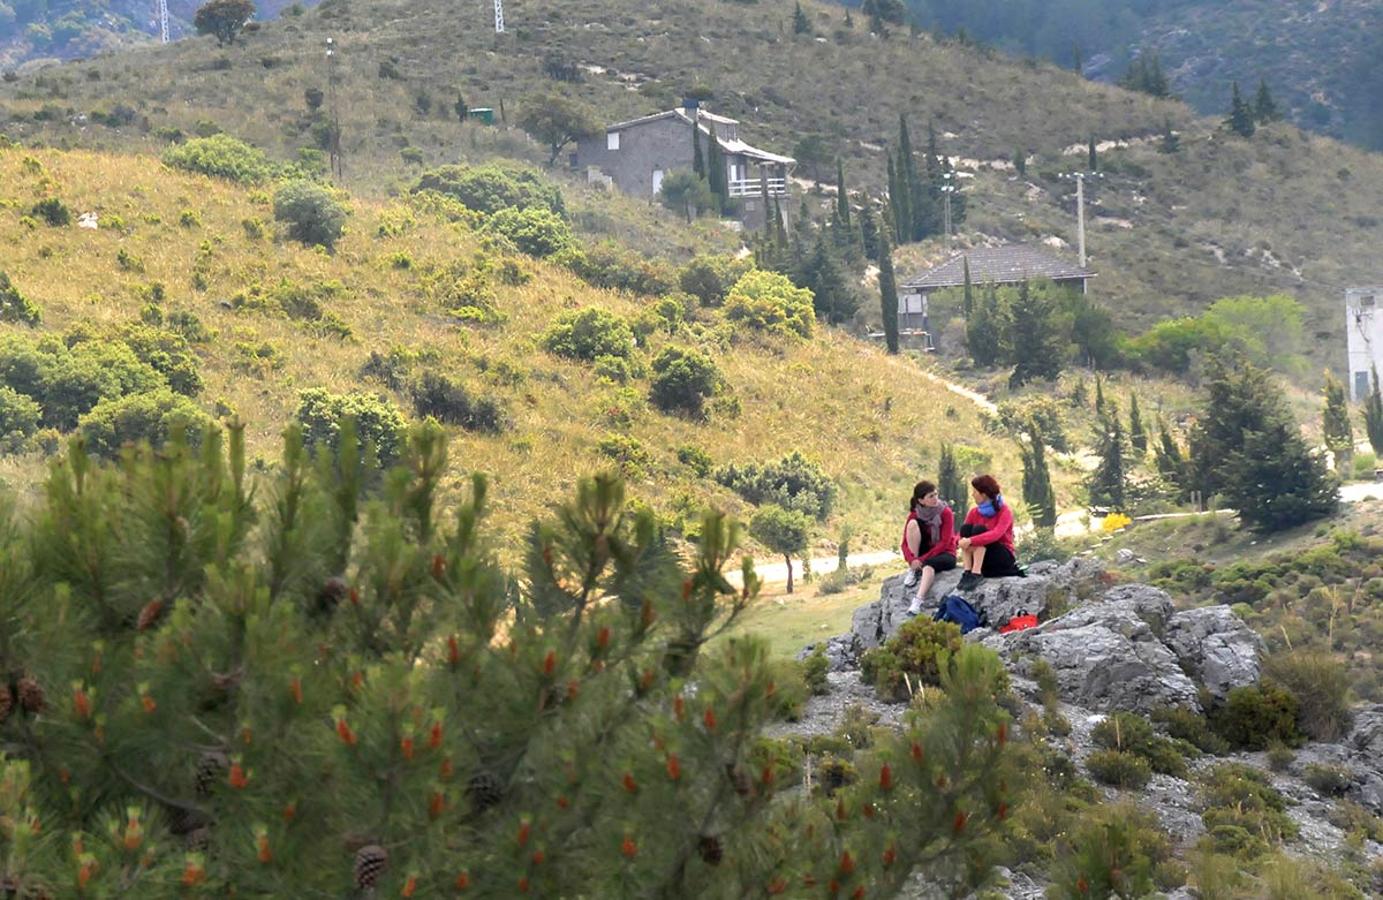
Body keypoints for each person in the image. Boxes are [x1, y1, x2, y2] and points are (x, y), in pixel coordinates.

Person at [956, 474, 1023, 591]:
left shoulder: (1004, 511)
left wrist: (971, 540)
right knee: (966, 529)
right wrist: (960, 541)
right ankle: (968, 571)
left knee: (979, 530)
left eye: (975, 492)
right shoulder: (974, 512)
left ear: (984, 494)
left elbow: (996, 534)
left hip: (1001, 556)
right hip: (980, 557)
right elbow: (961, 535)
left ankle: (976, 573)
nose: (972, 495)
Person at [900, 480, 957, 615]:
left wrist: (922, 559)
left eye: (936, 494)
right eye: (931, 496)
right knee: (913, 525)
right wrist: (911, 559)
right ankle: (913, 570)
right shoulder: (915, 514)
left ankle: (918, 600)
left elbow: (945, 542)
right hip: (924, 551)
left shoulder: (945, 512)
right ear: (921, 500)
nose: (935, 499)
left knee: (928, 565)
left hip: (945, 552)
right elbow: (904, 543)